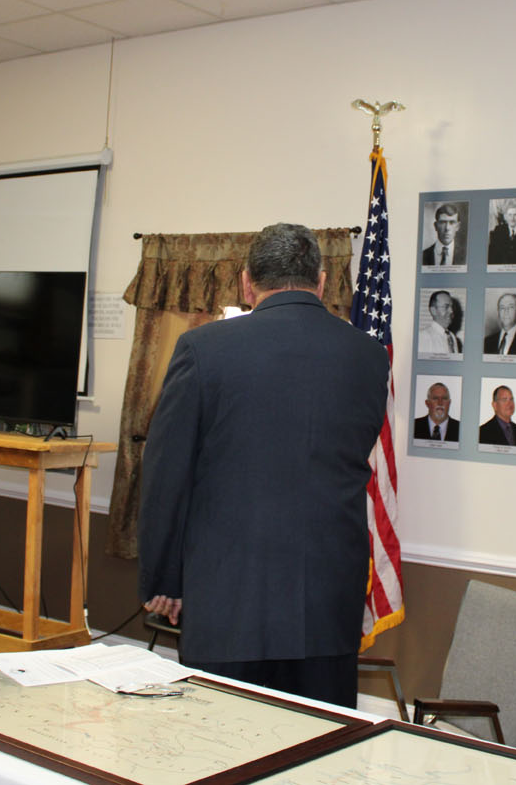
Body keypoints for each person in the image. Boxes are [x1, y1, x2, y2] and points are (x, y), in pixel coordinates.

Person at [137, 223, 387, 707]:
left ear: (247, 282)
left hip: (230, 598)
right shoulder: (370, 356)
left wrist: (165, 579)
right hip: (327, 600)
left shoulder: (204, 349)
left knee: (221, 748)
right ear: (320, 280)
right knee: (317, 751)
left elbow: (166, 472)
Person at [418, 290, 462, 355]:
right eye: (446, 307)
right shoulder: (423, 337)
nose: (451, 311)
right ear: (433, 311)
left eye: (451, 307)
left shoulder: (452, 337)